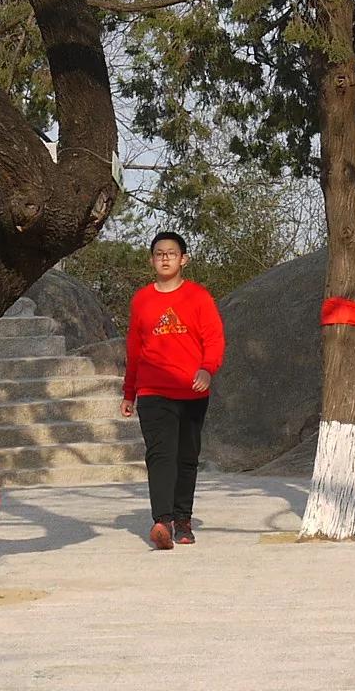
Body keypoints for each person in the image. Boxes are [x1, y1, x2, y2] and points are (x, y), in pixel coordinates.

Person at [121, 230, 224, 551]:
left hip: (192, 391)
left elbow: (215, 339)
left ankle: (183, 519)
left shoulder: (199, 297)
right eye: (159, 253)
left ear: (183, 259)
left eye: (171, 253)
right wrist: (129, 391)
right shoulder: (142, 299)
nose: (165, 258)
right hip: (153, 390)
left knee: (186, 457)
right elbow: (134, 349)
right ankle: (161, 521)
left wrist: (207, 369)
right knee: (160, 455)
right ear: (152, 260)